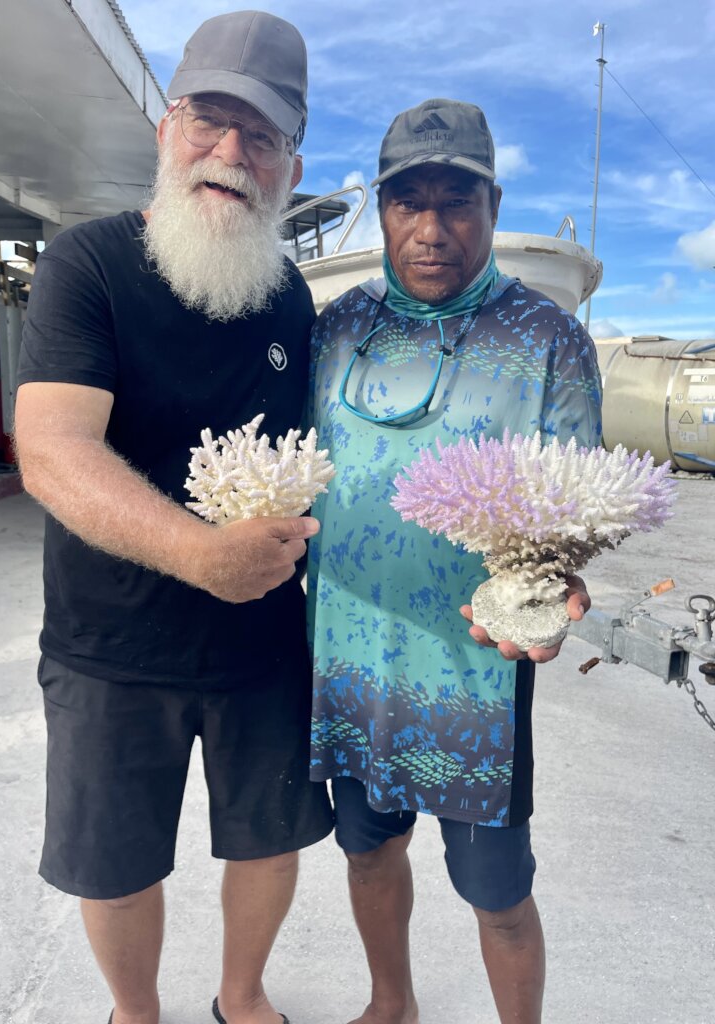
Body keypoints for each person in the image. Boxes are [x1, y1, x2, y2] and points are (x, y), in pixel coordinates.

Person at [13, 12, 333, 1024]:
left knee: (269, 839)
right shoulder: (87, 265)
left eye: (262, 134)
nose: (230, 153)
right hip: (110, 643)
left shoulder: (289, 299)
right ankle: (135, 1011)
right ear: (166, 126)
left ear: (291, 160)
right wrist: (203, 554)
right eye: (210, 119)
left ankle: (241, 998)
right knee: (114, 862)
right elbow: (52, 449)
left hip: (263, 645)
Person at [306, 98, 603, 1024]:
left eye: (457, 203)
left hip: (474, 671)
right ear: (385, 209)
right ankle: (390, 1003)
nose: (431, 230)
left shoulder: (550, 338)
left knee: (497, 893)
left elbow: (576, 503)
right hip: (347, 656)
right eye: (407, 203)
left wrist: (558, 590)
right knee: (365, 850)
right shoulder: (337, 328)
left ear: (493, 203)